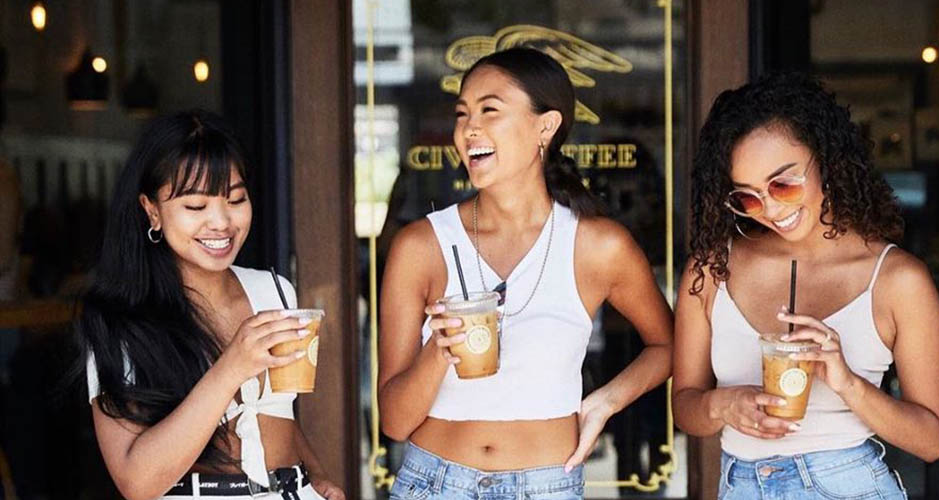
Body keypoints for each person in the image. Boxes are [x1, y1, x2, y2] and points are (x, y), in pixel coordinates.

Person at [378, 47, 673, 500]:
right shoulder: (421, 246)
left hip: (545, 485)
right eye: (462, 114)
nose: (469, 128)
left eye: (489, 110)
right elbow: (395, 423)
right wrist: (438, 351)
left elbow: (669, 345)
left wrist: (605, 402)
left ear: (546, 126)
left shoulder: (597, 246)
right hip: (434, 484)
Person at [672, 73, 939, 499]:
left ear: (826, 159)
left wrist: (847, 382)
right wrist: (721, 405)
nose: (770, 210)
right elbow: (685, 405)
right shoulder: (711, 269)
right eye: (747, 197)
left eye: (783, 184)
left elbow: (933, 440)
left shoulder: (897, 280)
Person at [75, 110, 344, 500]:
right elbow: (136, 482)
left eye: (235, 199)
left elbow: (276, 410)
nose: (221, 222)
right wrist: (231, 368)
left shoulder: (275, 291)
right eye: (195, 206)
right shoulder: (120, 322)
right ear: (152, 210)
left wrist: (316, 476)